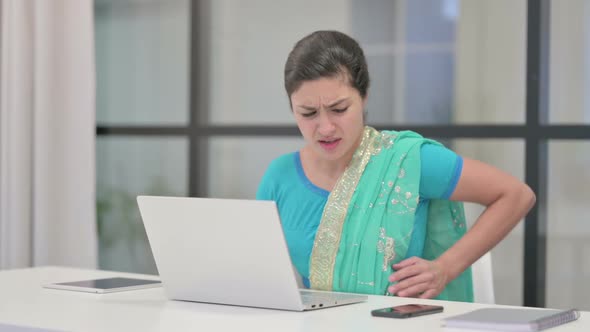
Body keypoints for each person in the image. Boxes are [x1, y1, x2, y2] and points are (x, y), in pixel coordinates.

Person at [256, 30, 535, 302]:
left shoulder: (407, 161)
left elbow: (516, 195)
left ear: (363, 97)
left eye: (339, 109)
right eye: (308, 113)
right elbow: (260, 274)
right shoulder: (279, 177)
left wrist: (446, 267)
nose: (326, 127)